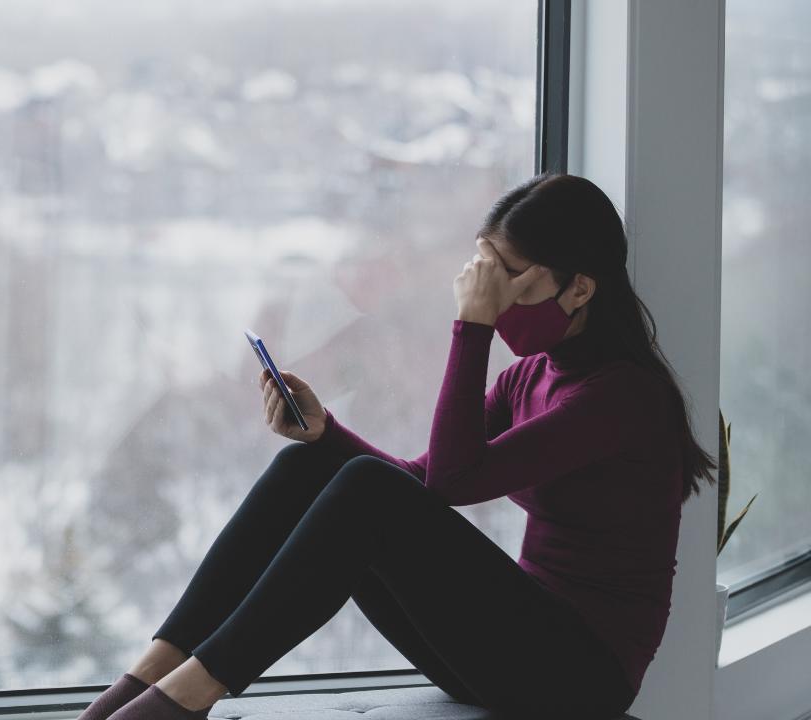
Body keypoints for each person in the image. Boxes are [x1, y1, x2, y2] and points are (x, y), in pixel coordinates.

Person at [79, 173, 718, 720]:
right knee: (310, 463)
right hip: (512, 650)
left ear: (580, 288)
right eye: (483, 272)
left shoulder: (623, 396)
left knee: (363, 486)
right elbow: (420, 480)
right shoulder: (532, 375)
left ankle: (180, 702)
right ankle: (143, 680)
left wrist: (472, 327)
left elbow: (452, 483)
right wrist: (327, 433)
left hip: (580, 678)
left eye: (509, 276)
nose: (489, 292)